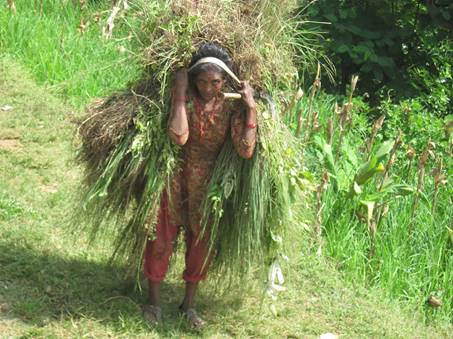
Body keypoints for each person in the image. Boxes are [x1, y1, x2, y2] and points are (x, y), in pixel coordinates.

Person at [142, 43, 257, 329]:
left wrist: (251, 108)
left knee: (200, 245)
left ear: (225, 82)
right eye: (202, 81)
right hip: (172, 176)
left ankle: (188, 305)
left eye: (215, 82)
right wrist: (180, 96)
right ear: (193, 80)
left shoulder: (231, 106)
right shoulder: (185, 98)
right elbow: (179, 137)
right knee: (160, 239)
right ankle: (153, 303)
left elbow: (245, 150)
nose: (208, 88)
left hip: (207, 186)